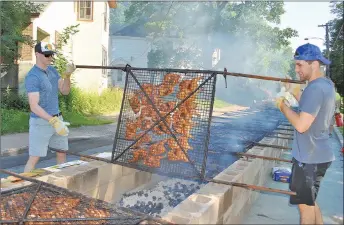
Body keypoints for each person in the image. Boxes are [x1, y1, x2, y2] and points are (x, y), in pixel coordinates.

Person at [275, 43, 336, 225]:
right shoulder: (325, 85)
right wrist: (293, 91)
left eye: (300, 64)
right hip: (317, 154)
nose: (296, 69)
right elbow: (310, 108)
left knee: (305, 208)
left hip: (309, 158)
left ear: (314, 64)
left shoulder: (315, 88)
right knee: (310, 202)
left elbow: (302, 124)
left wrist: (282, 105)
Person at [24, 42, 76, 172]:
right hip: (41, 122)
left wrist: (68, 76)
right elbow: (34, 106)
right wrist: (53, 121)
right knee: (34, 158)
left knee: (61, 153)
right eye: (47, 55)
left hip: (58, 119)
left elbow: (64, 91)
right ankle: (23, 187)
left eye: (51, 54)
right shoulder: (33, 76)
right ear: (37, 54)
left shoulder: (53, 71)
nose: (50, 57)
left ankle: (60, 186)